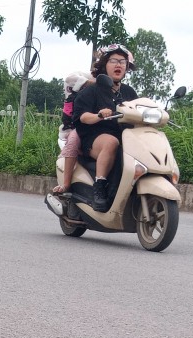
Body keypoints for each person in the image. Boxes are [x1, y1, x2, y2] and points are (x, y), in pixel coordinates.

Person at [70, 43, 138, 212]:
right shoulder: (92, 90)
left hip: (125, 138)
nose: (118, 65)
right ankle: (99, 188)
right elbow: (82, 116)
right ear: (104, 64)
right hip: (95, 138)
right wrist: (99, 115)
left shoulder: (129, 93)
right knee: (112, 142)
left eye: (122, 62)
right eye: (113, 61)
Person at [52, 71, 91, 196]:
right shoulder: (88, 79)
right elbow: (70, 79)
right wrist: (93, 83)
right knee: (74, 138)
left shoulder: (123, 89)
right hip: (77, 126)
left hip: (105, 127)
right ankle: (66, 183)